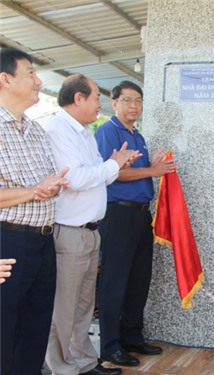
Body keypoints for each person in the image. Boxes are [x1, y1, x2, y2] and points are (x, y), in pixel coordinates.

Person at [44, 74, 140, 375]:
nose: (101, 103)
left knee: (84, 305)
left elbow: (97, 174)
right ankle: (60, 368)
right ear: (78, 99)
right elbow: (75, 179)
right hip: (70, 231)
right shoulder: (58, 130)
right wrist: (112, 165)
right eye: (97, 97)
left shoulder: (84, 131)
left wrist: (113, 164)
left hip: (90, 230)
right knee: (64, 307)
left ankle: (85, 363)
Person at [95, 81, 177, 366]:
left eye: (138, 101)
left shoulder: (137, 135)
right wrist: (153, 170)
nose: (134, 106)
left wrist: (151, 164)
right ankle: (110, 345)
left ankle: (133, 336)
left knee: (139, 279)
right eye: (128, 100)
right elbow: (113, 173)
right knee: (114, 281)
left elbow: (140, 172)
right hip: (117, 214)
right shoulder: (108, 131)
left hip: (142, 215)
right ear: (113, 102)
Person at [0, 47, 70, 375]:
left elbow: (44, 184)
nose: (39, 81)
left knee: (35, 328)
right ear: (5, 79)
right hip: (8, 243)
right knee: (5, 331)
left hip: (44, 242)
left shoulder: (37, 130)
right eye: (30, 73)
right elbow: (33, 190)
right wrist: (34, 191)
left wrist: (51, 186)